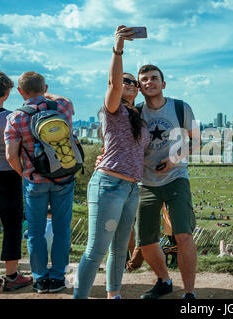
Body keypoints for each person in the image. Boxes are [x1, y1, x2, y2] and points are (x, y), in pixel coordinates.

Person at [73, 26, 150, 299]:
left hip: (131, 189)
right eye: (128, 81)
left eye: (135, 84)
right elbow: (114, 84)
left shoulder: (138, 117)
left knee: (120, 250)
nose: (131, 85)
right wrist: (118, 48)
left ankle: (114, 295)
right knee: (96, 250)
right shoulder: (113, 108)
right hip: (109, 184)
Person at [5, 71, 75, 294]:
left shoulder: (15, 117)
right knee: (62, 229)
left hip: (34, 180)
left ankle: (40, 279)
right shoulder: (62, 106)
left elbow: (10, 155)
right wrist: (46, 93)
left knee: (35, 232)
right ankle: (57, 278)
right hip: (64, 177)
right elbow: (64, 99)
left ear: (19, 92)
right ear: (45, 88)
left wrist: (26, 174)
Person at [134, 62, 200, 300]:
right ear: (140, 87)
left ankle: (189, 292)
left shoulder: (181, 108)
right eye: (144, 80)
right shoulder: (136, 112)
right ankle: (164, 280)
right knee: (146, 241)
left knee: (183, 235)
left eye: (154, 78)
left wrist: (173, 161)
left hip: (176, 177)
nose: (149, 82)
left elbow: (196, 141)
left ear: (163, 83)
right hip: (145, 181)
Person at [0, 70, 33, 292]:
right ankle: (11, 277)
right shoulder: (11, 118)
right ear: (8, 92)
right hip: (8, 175)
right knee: (11, 225)